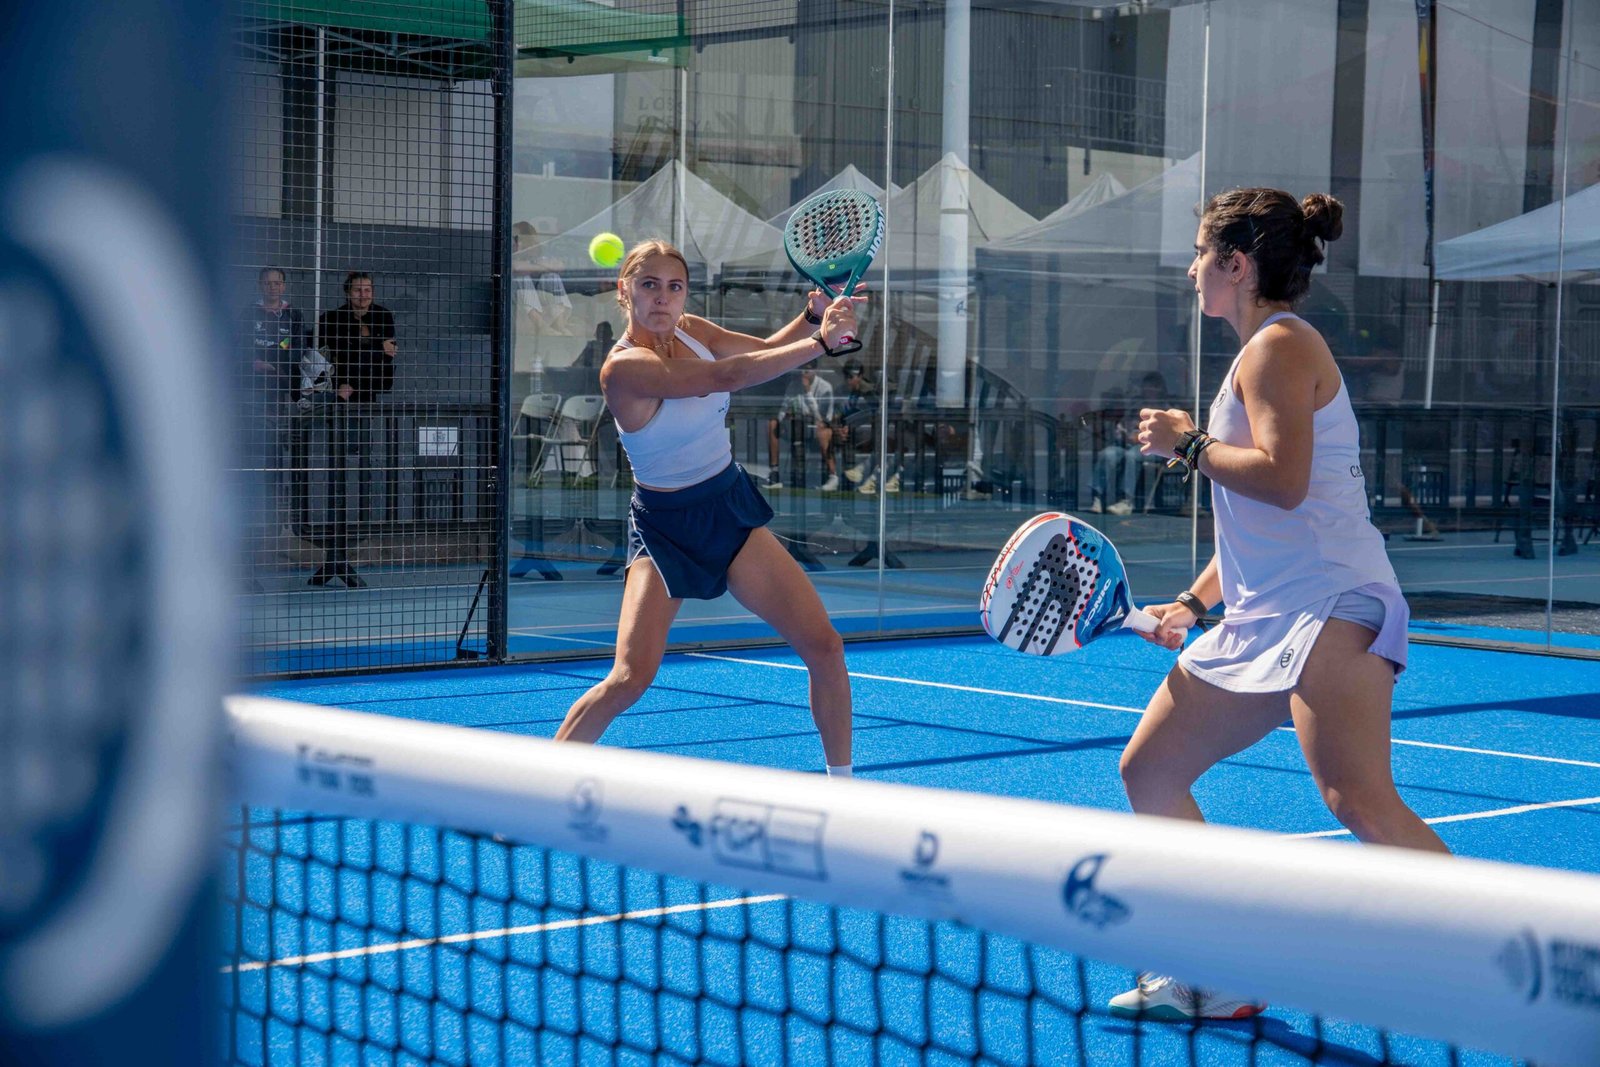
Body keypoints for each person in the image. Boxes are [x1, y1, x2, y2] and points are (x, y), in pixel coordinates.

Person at [1112, 188, 1449, 1021]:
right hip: (1268, 612)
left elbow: (1284, 481)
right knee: (1149, 770)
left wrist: (1189, 442)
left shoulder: (1279, 346)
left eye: (1200, 254)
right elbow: (1257, 526)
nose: (1190, 269)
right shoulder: (1257, 353)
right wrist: (1192, 603)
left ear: (1237, 263)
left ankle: (1533, 954)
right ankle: (1218, 970)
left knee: (1357, 798)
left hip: (1334, 601)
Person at [553, 239, 863, 776]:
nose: (663, 299)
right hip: (664, 528)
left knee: (825, 646)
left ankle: (844, 792)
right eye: (649, 285)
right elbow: (728, 377)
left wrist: (810, 317)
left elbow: (758, 352)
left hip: (728, 508)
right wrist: (823, 343)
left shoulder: (693, 331)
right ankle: (527, 786)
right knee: (629, 677)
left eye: (675, 287)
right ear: (625, 291)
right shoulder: (623, 370)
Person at [312, 271, 399, 588]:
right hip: (338, 400)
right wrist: (341, 382)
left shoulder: (383, 315)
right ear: (347, 292)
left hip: (366, 397)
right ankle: (333, 549)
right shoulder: (331, 318)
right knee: (336, 467)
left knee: (361, 464)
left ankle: (349, 542)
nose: (364, 294)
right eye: (358, 289)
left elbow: (385, 361)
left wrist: (366, 358)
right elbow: (331, 358)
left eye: (368, 288)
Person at [238, 267, 311, 588]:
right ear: (260, 285)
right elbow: (240, 347)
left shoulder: (293, 315)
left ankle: (278, 533)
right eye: (267, 282)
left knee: (280, 470)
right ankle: (246, 559)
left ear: (284, 286)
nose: (273, 287)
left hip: (283, 399)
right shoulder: (247, 314)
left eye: (277, 282)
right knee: (251, 468)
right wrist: (259, 361)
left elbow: (297, 349)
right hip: (251, 397)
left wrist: (273, 359)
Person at [1089, 371, 1170, 515]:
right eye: (1147, 387)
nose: (1149, 391)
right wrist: (1123, 433)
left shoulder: (1166, 410)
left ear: (1161, 390)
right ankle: (1098, 498)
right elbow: (1121, 426)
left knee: (1132, 456)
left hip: (1153, 449)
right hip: (1126, 444)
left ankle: (1127, 500)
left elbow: (1166, 435)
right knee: (1108, 454)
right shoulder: (1136, 406)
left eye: (1153, 387)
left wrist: (1140, 438)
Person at [765, 365, 838, 490]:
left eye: (808, 370)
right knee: (773, 424)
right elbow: (783, 408)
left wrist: (808, 391)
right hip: (796, 425)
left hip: (816, 427)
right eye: (802, 369)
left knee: (824, 431)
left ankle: (832, 476)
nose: (804, 373)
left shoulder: (825, 387)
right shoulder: (793, 385)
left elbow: (823, 417)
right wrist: (783, 418)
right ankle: (774, 471)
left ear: (815, 370)